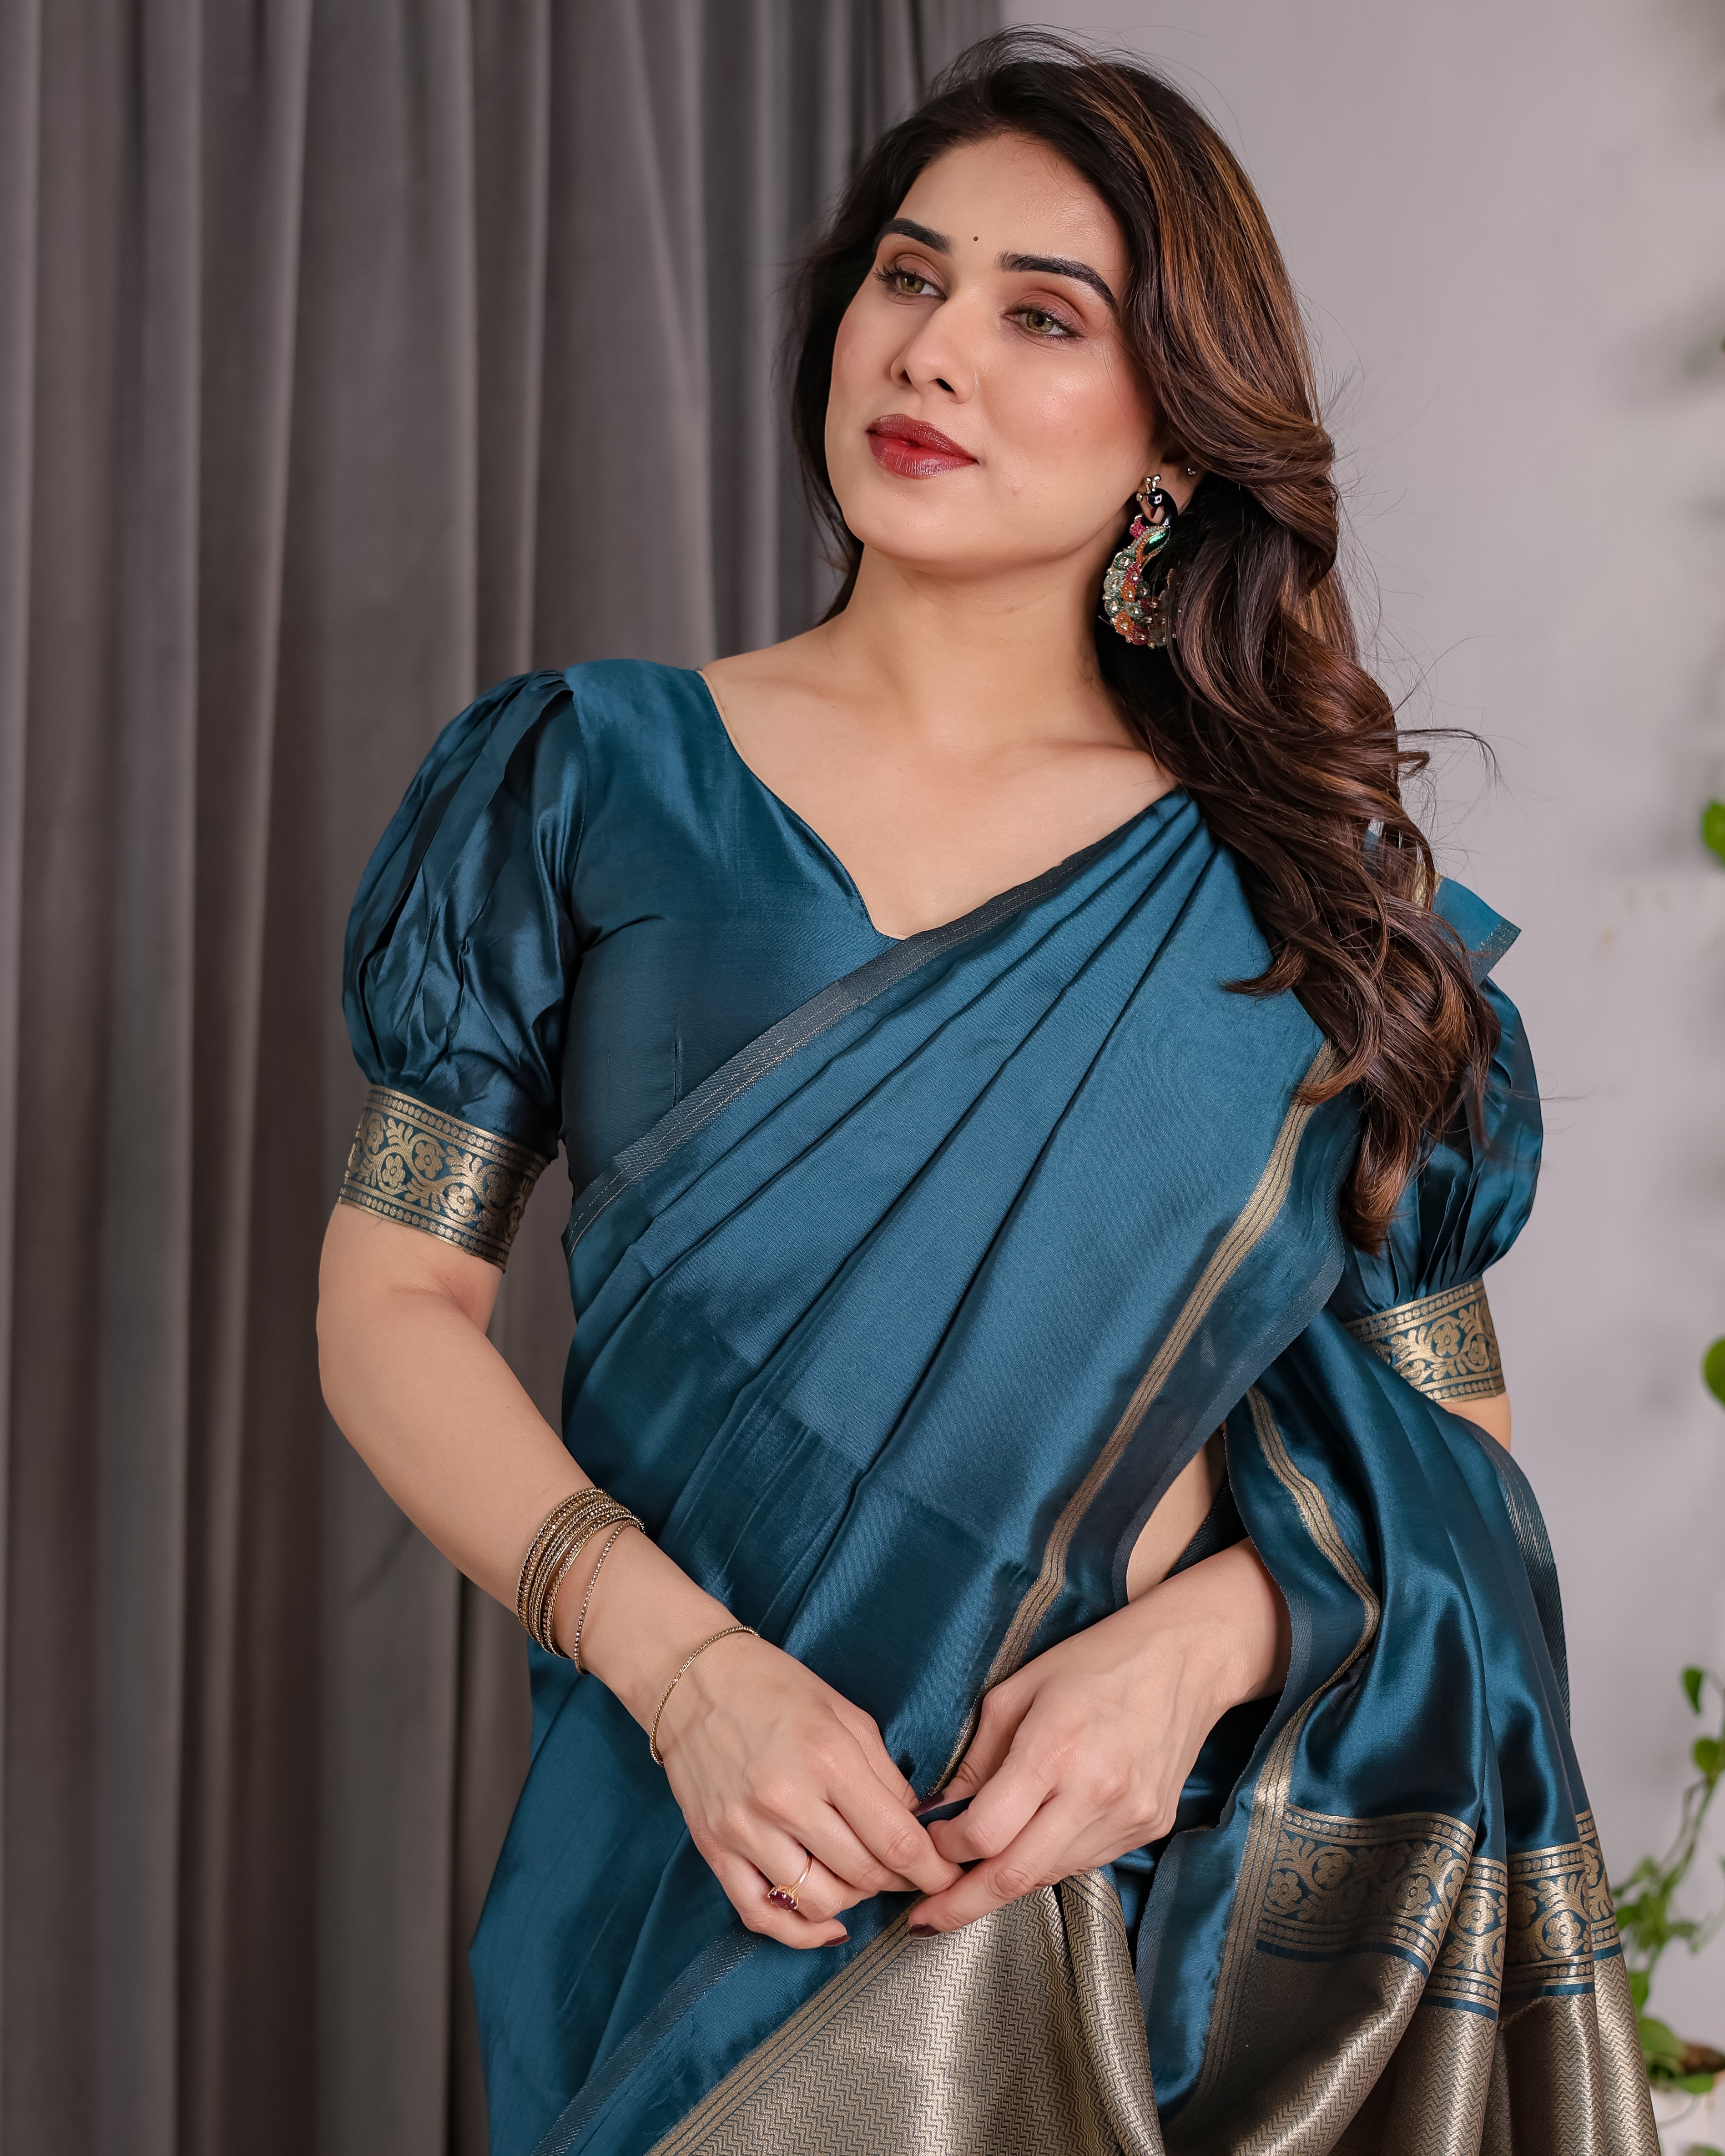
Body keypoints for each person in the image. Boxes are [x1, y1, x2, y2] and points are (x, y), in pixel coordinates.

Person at [317, 33, 1652, 2156]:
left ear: (1173, 442)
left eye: (1045, 317)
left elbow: (1455, 1461)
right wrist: (683, 1671)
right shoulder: (579, 783)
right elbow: (393, 1305)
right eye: (909, 276)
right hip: (682, 1866)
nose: (932, 349)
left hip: (1126, 1931)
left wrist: (1189, 1662)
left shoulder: (1312, 912)